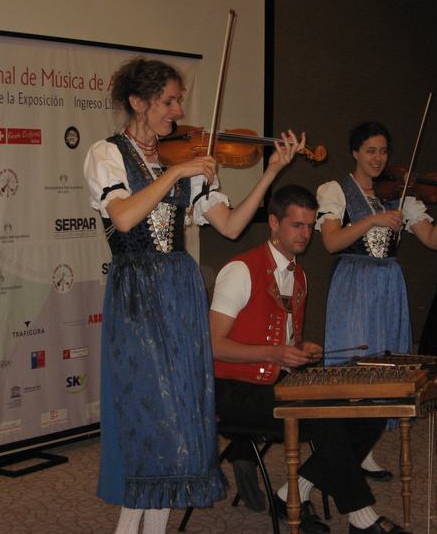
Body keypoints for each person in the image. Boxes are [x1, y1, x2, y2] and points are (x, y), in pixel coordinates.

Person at [83, 57, 307, 534]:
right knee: (148, 411)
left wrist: (271, 171)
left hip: (180, 291)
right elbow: (123, 216)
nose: (178, 111)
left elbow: (231, 225)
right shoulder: (106, 154)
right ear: (137, 102)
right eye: (168, 101)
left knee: (181, 411)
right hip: (137, 294)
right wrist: (177, 172)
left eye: (178, 100)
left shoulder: (186, 160)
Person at [210, 184, 409, 534]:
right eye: (296, 225)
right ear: (274, 223)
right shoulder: (240, 270)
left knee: (369, 409)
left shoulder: (299, 275)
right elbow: (212, 345)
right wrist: (274, 353)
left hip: (278, 382)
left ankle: (292, 492)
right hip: (233, 390)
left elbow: (282, 342)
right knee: (324, 418)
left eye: (309, 225)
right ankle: (362, 518)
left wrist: (300, 350)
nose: (305, 234)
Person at [315, 121, 437, 480]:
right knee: (356, 364)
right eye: (370, 151)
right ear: (355, 153)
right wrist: (374, 219)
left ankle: (364, 449)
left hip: (388, 284)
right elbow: (331, 242)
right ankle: (345, 448)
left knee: (384, 364)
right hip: (354, 282)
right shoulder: (336, 190)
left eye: (383, 151)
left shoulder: (400, 195)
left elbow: (433, 240)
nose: (378, 158)